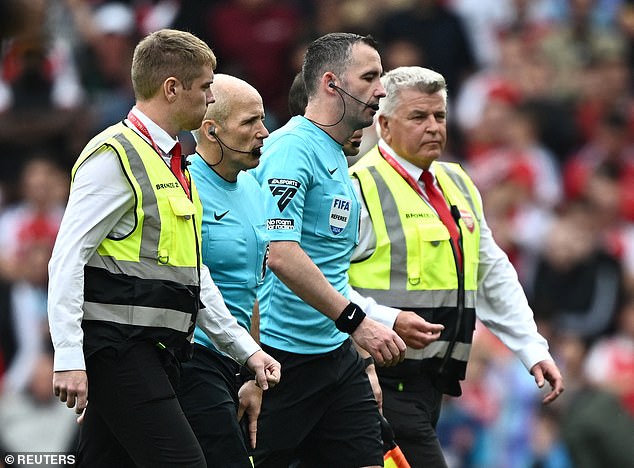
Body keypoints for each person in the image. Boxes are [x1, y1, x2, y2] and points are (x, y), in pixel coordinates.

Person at [47, 29, 280, 467]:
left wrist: (246, 350)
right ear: (172, 88)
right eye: (206, 86)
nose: (211, 97)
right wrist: (68, 356)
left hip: (157, 352)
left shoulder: (174, 164)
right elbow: (67, 256)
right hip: (120, 349)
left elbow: (193, 276)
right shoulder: (115, 155)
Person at [348, 66, 564, 467]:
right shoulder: (358, 187)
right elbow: (324, 283)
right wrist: (387, 319)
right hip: (379, 383)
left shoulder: (458, 181)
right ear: (384, 124)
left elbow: (491, 271)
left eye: (439, 116)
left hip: (432, 384)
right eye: (418, 117)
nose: (433, 127)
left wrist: (532, 348)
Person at [252, 33, 443, 468]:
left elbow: (332, 271)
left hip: (336, 358)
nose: (382, 89)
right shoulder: (291, 151)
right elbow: (280, 253)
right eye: (371, 77)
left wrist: (363, 362)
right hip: (284, 361)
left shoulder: (337, 155)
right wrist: (359, 324)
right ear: (331, 83)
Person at [177, 73, 270, 467]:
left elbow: (252, 292)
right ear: (211, 131)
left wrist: (251, 373)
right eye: (250, 122)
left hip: (235, 363)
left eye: (262, 119)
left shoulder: (253, 187)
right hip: (191, 358)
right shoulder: (183, 188)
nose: (264, 132)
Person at [287, 71, 363, 159]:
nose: (359, 126)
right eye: (345, 113)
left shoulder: (339, 165)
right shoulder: (290, 152)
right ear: (311, 111)